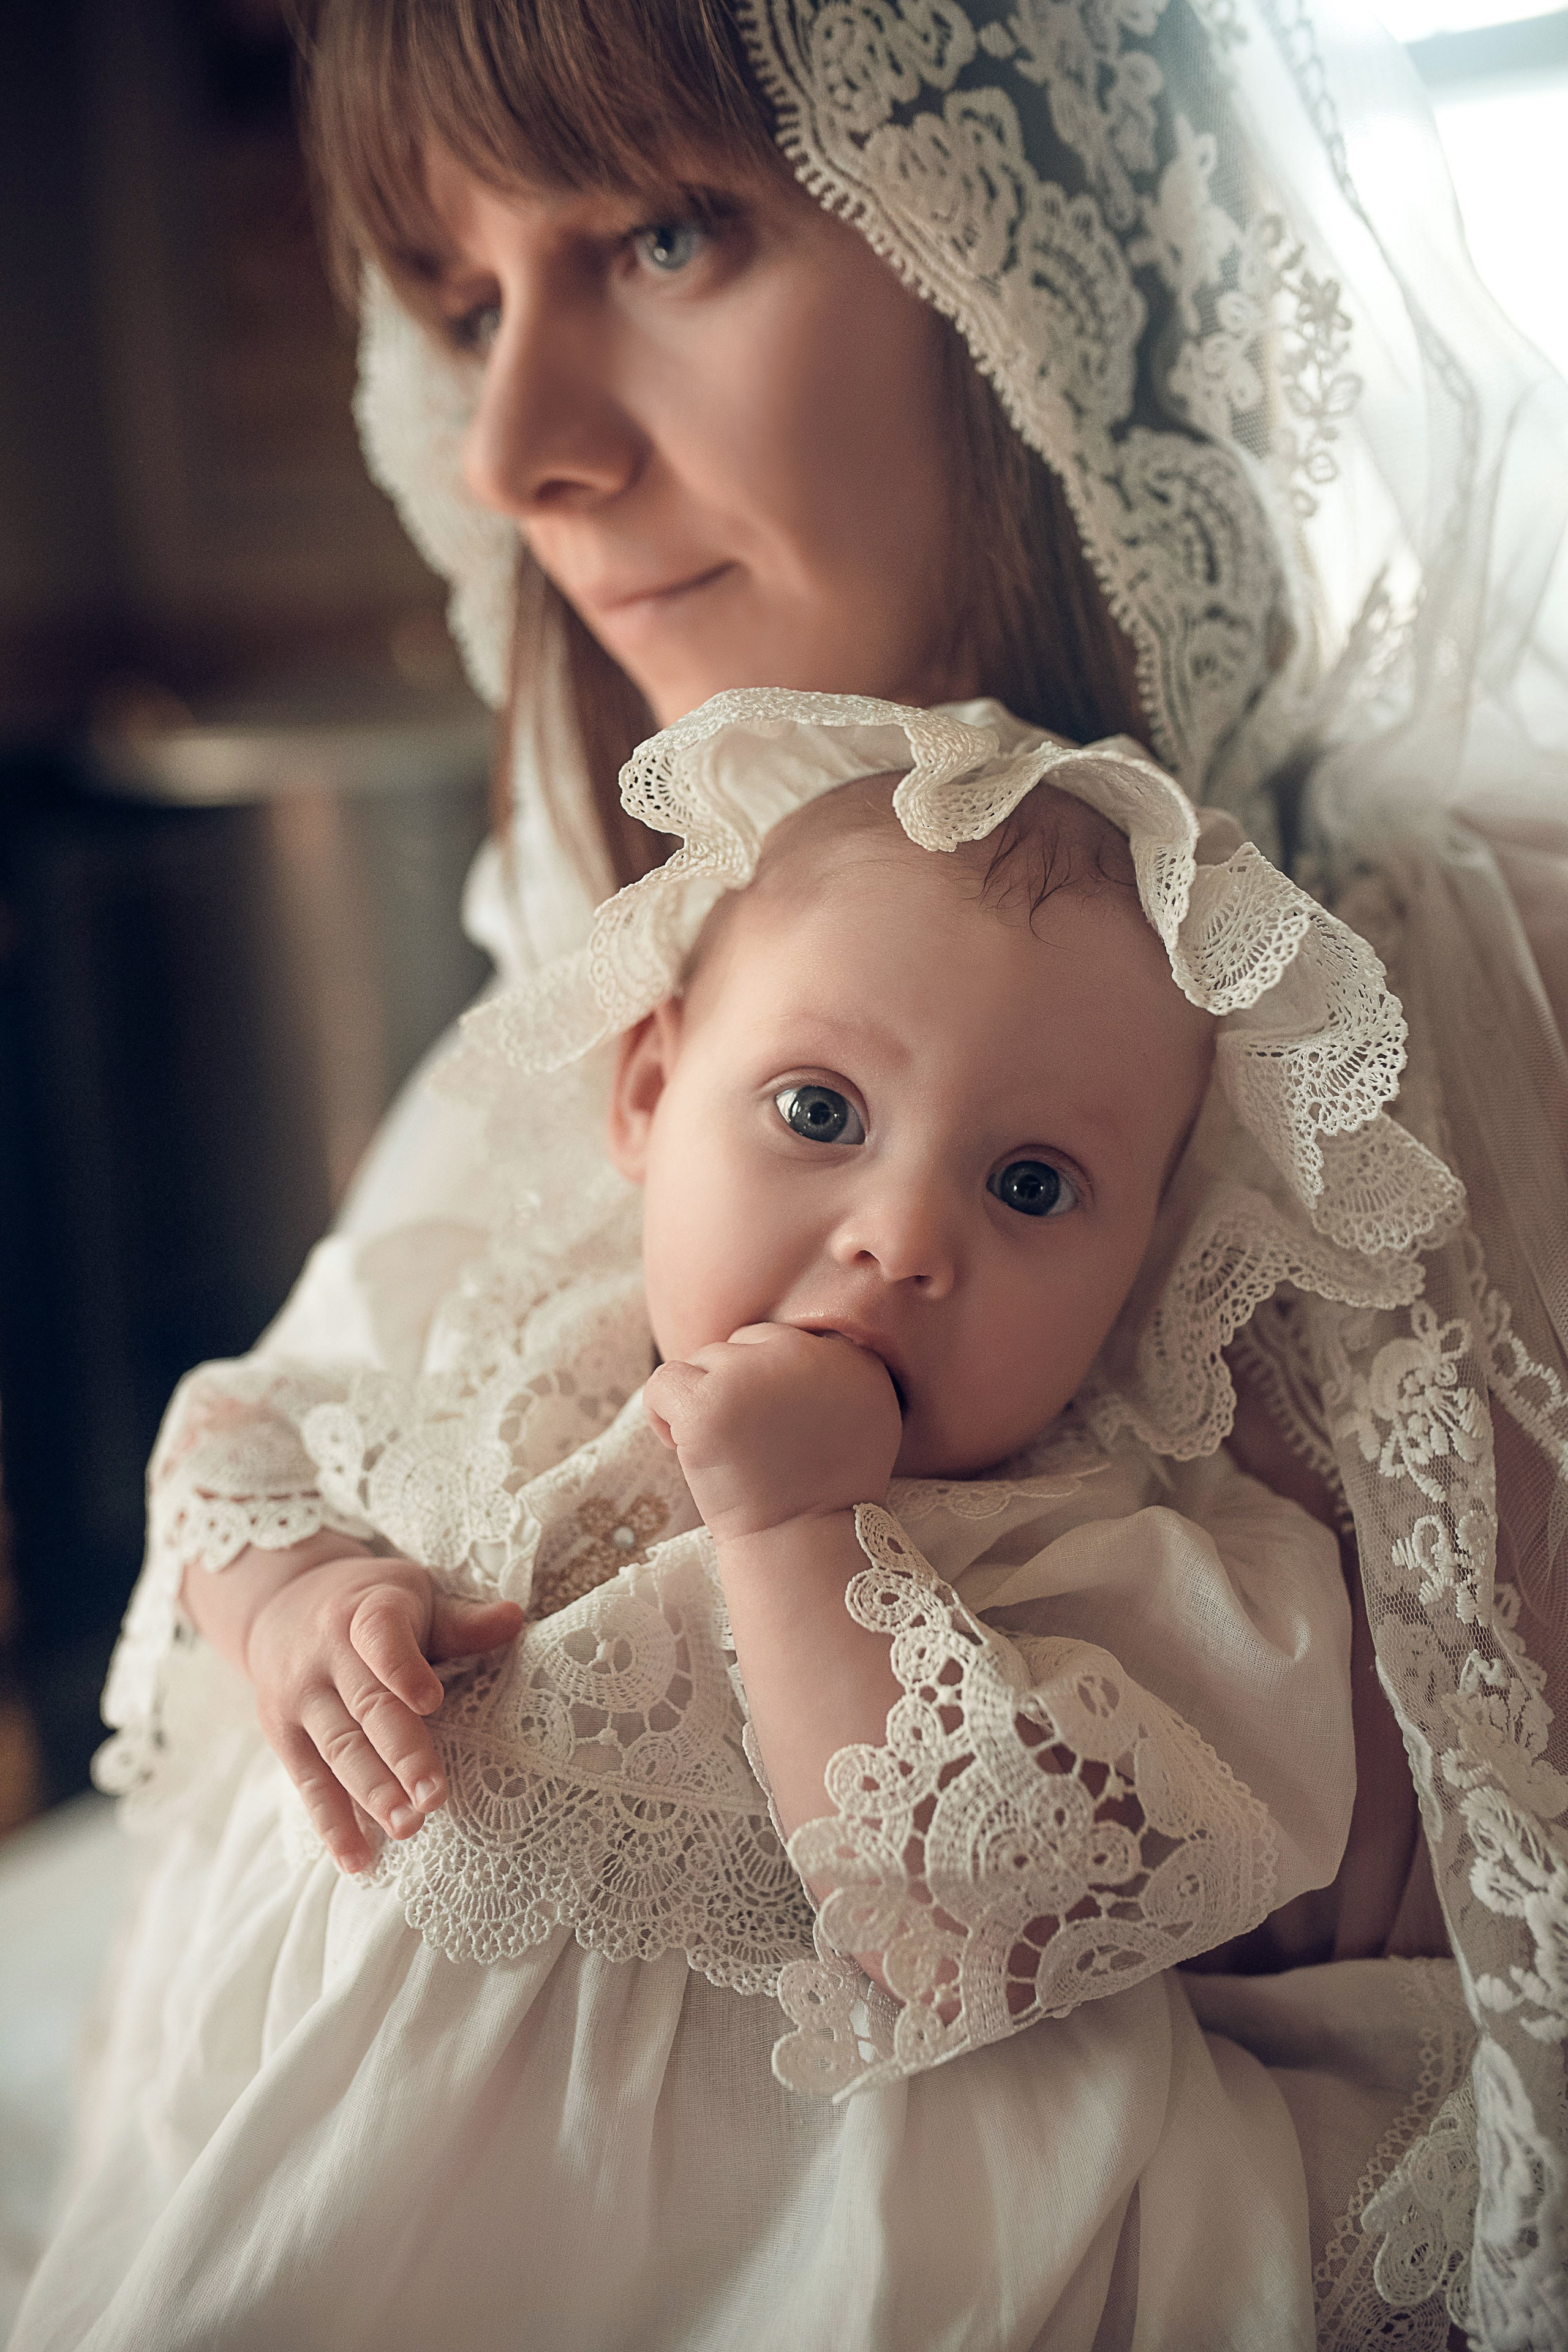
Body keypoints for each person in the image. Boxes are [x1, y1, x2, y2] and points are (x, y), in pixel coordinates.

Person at [34, 0, 1568, 2340]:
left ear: (1014, 258)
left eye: (664, 232)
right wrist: (302, 1600)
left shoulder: (1371, 1086)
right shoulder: (592, 998)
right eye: (462, 306)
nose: (519, 448)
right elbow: (274, 1444)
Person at [13, 692, 1467, 2348]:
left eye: (1035, 1186)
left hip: (769, 2221)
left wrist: (797, 1529)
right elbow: (239, 1433)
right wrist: (296, 1593)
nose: (903, 1238)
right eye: (822, 1112)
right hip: (349, 2123)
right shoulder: (509, 1329)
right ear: (646, 1094)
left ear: (1137, 1276)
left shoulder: (1098, 1555)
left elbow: (966, 1922)